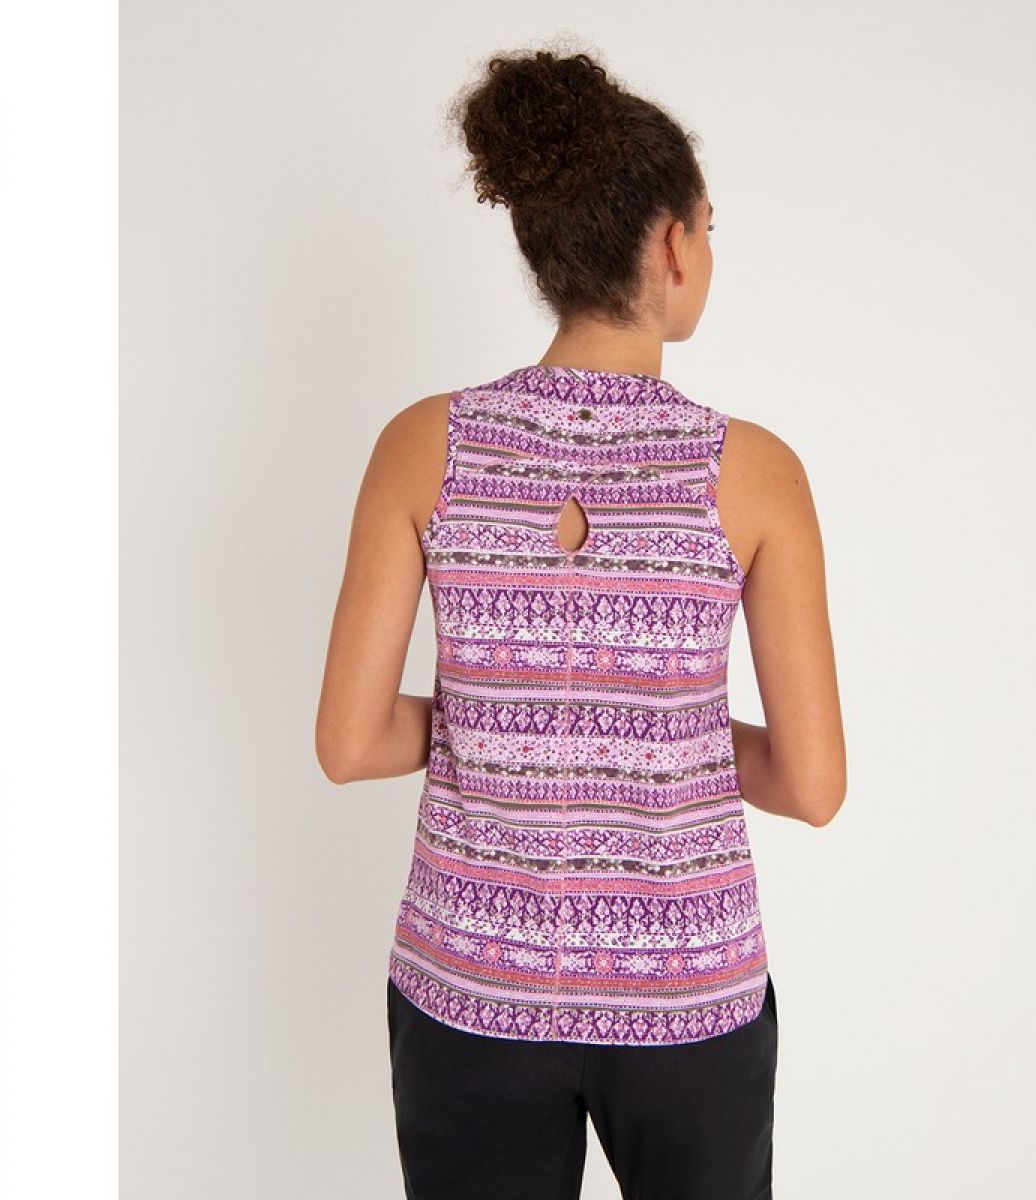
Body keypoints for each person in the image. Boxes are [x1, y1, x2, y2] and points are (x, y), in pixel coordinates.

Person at [315, 44, 846, 1200]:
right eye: (709, 229)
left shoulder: (423, 446)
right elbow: (812, 786)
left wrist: (507, 727)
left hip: (468, 989)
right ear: (673, 247)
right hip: (686, 992)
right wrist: (650, 738)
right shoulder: (754, 475)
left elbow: (350, 744)